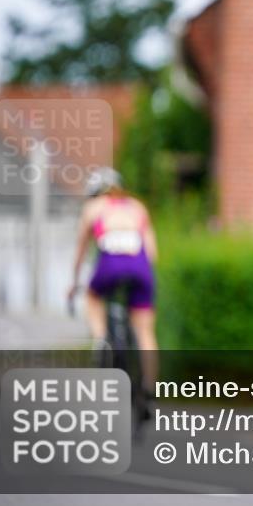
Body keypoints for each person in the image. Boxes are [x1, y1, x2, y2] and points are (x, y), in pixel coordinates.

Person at [68, 167, 159, 398]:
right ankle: (149, 386)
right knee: (145, 331)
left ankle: (100, 340)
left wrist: (74, 282)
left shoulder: (94, 208)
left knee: (93, 296)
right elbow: (152, 253)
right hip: (140, 266)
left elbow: (81, 250)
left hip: (110, 264)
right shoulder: (137, 207)